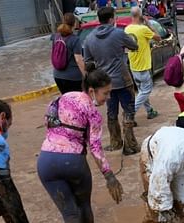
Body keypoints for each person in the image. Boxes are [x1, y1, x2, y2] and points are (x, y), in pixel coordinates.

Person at [38, 66, 124, 223]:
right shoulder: (93, 113)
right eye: (106, 93)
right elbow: (95, 148)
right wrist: (109, 176)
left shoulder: (62, 98)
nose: (108, 97)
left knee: (69, 214)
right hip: (73, 163)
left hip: (46, 162)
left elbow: (48, 123)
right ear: (92, 90)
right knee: (83, 206)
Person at [82, 6, 141, 155]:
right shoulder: (118, 33)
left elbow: (88, 63)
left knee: (111, 112)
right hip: (123, 79)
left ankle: (115, 142)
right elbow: (134, 46)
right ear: (111, 19)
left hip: (104, 84)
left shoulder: (89, 38)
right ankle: (130, 146)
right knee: (128, 111)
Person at [126, 6, 161, 120]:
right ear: (140, 15)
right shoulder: (143, 29)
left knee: (142, 91)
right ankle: (130, 113)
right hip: (143, 66)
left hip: (133, 65)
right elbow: (158, 38)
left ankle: (149, 110)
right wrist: (149, 25)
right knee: (146, 90)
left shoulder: (127, 29)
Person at [52, 13, 87, 94]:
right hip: (73, 78)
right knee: (76, 103)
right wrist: (86, 76)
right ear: (74, 24)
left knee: (67, 102)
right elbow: (78, 60)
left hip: (57, 76)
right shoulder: (75, 39)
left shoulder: (55, 36)